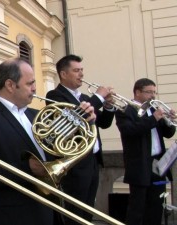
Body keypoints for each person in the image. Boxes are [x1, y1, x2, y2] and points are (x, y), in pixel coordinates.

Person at [0, 58, 96, 225]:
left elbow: (58, 148)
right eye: (30, 83)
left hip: (51, 210)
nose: (35, 88)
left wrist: (83, 123)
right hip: (15, 215)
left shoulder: (36, 115)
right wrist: (27, 168)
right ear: (10, 85)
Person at [45, 54, 115, 224]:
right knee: (74, 211)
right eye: (76, 70)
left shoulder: (84, 98)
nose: (81, 74)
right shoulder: (55, 95)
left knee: (88, 208)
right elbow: (74, 118)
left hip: (93, 161)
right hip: (75, 165)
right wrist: (98, 97)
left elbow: (103, 124)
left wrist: (108, 106)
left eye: (82, 70)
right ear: (63, 74)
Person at [115, 78, 176, 225]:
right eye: (149, 92)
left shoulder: (154, 109)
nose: (153, 96)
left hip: (158, 164)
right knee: (137, 209)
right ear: (137, 92)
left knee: (156, 207)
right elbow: (130, 131)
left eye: (154, 92)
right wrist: (153, 119)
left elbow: (168, 133)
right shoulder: (125, 110)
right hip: (139, 164)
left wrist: (169, 120)